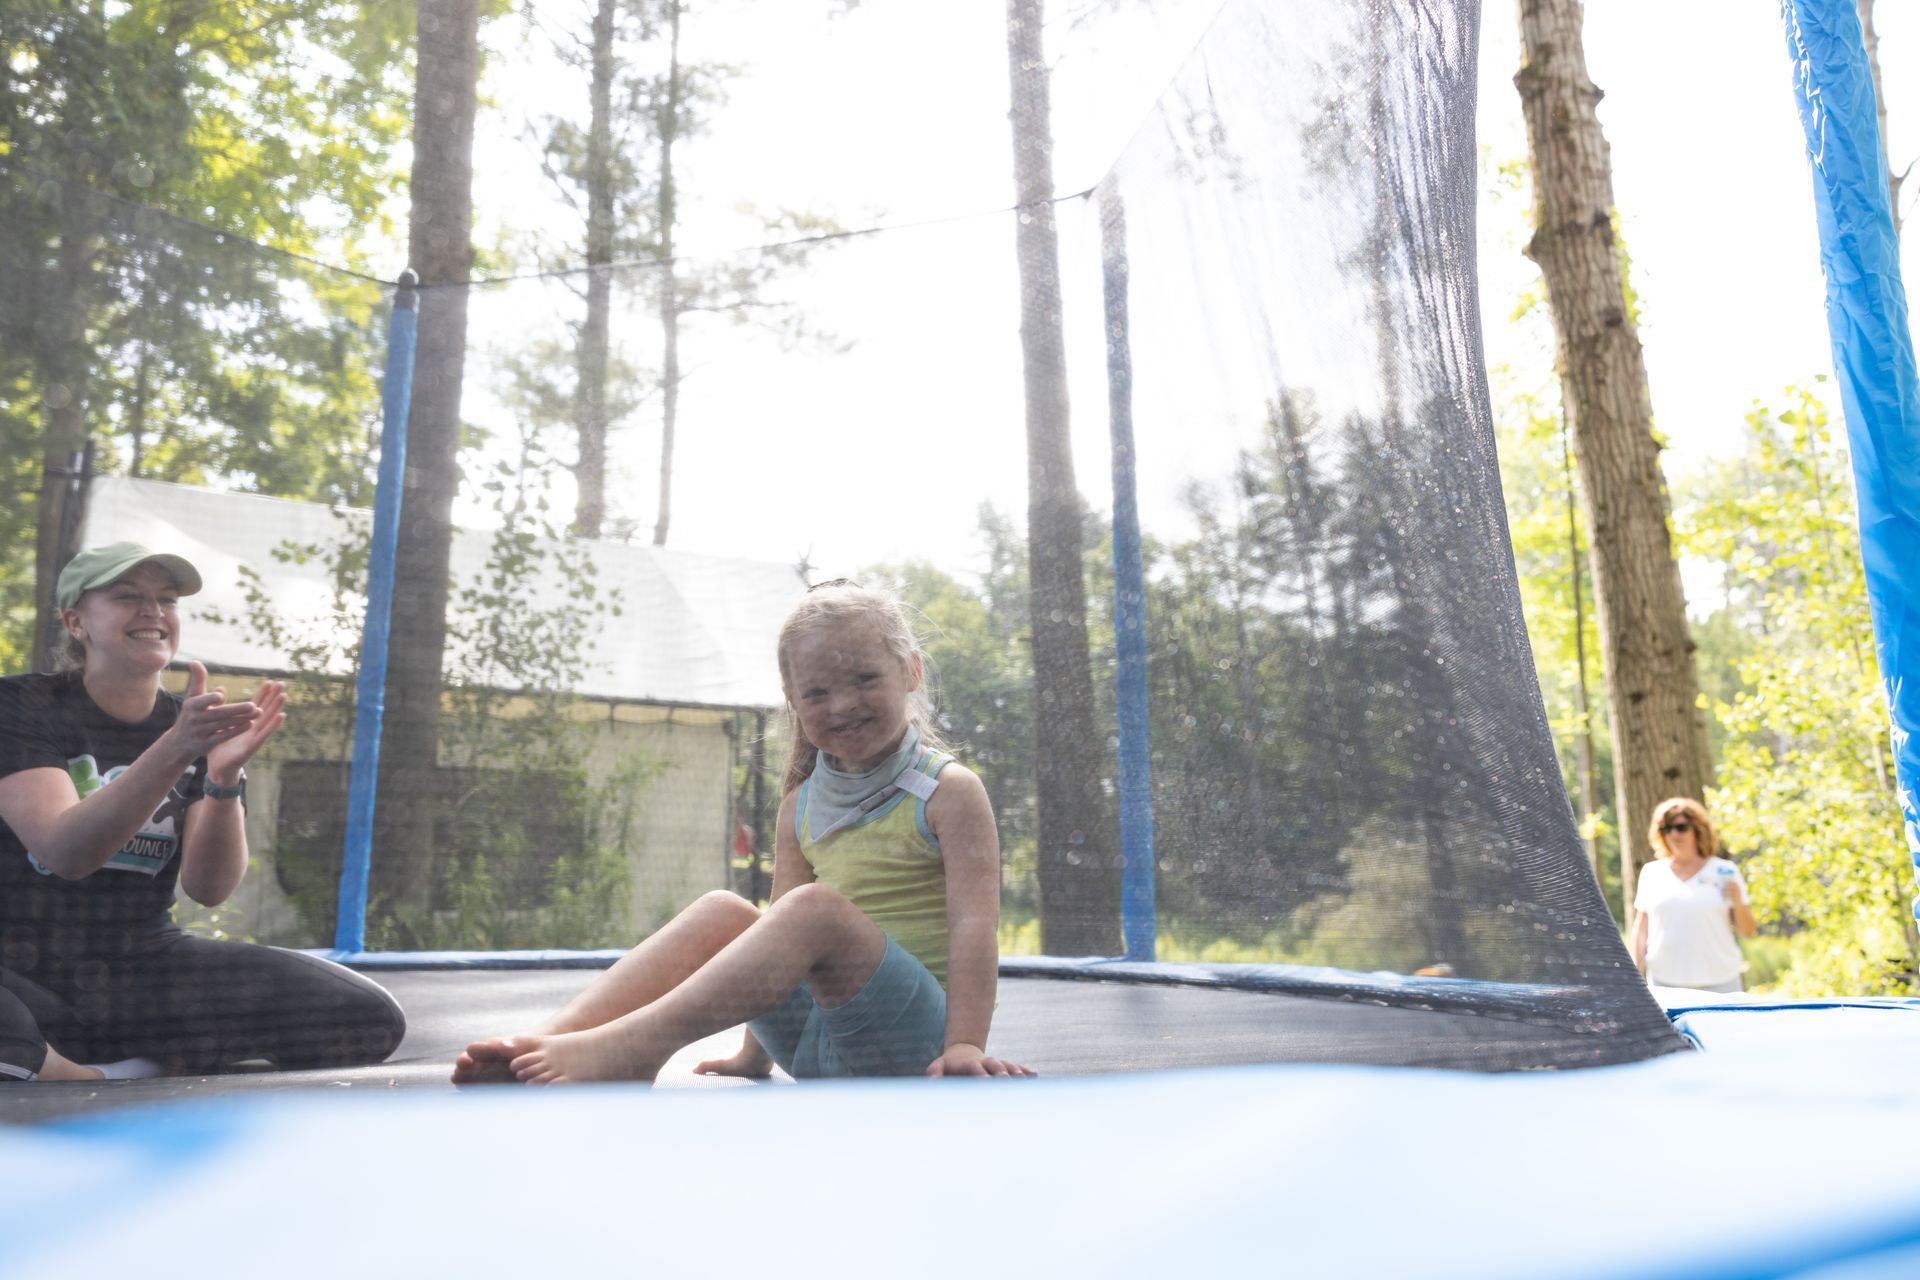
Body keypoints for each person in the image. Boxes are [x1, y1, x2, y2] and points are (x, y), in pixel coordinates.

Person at [454, 579, 1034, 1084]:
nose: (842, 704)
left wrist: (964, 1046)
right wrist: (755, 1054)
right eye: (817, 693)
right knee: (726, 911)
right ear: (792, 701)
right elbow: (777, 952)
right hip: (815, 1048)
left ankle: (636, 1046)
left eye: (863, 678)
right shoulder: (800, 806)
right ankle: (550, 1039)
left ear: (910, 670)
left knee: (815, 909)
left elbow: (975, 927)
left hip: (916, 1046)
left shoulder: (948, 792)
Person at [0, 542, 405, 1082]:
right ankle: (84, 1076)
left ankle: (65, 1062)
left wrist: (222, 778)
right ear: (76, 622)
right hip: (17, 973)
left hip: (136, 972)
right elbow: (65, 852)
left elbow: (210, 889)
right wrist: (176, 748)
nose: (153, 611)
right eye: (127, 597)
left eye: (166, 599)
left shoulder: (192, 722)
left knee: (363, 1018)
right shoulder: (21, 706)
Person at [1630, 797, 1756, 994]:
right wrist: (1635, 975)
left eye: (1681, 827)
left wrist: (1738, 901)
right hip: (1664, 985)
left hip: (1722, 985)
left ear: (1698, 829)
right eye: (1666, 828)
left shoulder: (1724, 871)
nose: (1673, 834)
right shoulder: (1651, 872)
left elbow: (1748, 931)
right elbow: (1641, 930)